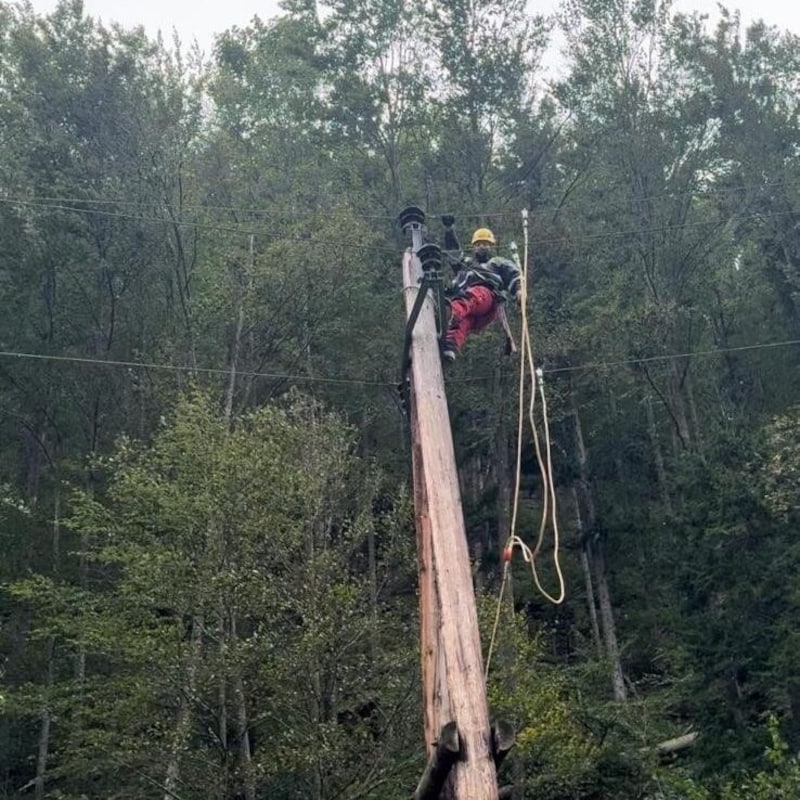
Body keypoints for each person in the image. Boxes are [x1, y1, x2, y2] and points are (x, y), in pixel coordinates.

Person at [440, 221, 521, 362]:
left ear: (492, 246)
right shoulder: (466, 264)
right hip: (474, 314)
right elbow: (454, 254)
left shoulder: (497, 262)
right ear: (474, 247)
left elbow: (513, 274)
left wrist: (519, 291)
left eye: (486, 243)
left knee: (473, 296)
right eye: (479, 244)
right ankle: (449, 347)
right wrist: (449, 231)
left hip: (486, 298)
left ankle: (449, 313)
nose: (482, 247)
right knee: (463, 324)